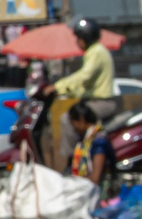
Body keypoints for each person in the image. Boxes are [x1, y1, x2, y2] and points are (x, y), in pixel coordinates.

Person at [49, 17, 118, 170]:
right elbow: (85, 84)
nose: (77, 41)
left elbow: (84, 75)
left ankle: (70, 162)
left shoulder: (96, 52)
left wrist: (58, 86)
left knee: (67, 119)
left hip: (101, 103)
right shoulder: (95, 52)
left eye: (79, 38)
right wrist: (66, 89)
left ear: (85, 38)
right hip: (94, 101)